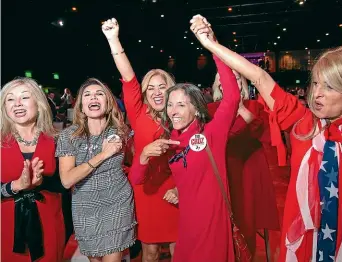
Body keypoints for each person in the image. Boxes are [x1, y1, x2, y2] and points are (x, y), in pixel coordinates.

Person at [194, 14, 342, 262]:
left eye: (330, 87)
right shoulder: (303, 125)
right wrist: (211, 44)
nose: (317, 93)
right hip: (306, 242)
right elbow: (259, 77)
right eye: (315, 83)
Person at [129, 18, 241, 262]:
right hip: (185, 224)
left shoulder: (212, 132)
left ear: (196, 108)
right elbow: (136, 178)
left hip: (212, 221)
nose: (173, 110)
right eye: (170, 105)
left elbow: (232, 96)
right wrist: (145, 154)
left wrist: (213, 46)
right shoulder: (172, 139)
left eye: (181, 104)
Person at [102, 18, 179, 262]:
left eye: (162, 86)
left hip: (176, 188)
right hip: (146, 188)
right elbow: (128, 78)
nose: (157, 92)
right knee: (151, 251)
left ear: (172, 89)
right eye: (151, 88)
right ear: (145, 93)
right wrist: (114, 39)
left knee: (181, 247)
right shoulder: (138, 113)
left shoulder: (182, 114)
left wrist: (181, 187)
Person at [56, 78, 136, 262]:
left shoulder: (122, 131)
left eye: (99, 94)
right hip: (85, 206)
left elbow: (134, 162)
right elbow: (67, 180)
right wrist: (103, 154)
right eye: (88, 94)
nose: (94, 97)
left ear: (108, 102)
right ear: (81, 106)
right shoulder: (69, 136)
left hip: (117, 202)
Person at [209, 70, 280, 255]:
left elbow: (265, 135)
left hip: (249, 170)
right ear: (219, 85)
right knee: (222, 221)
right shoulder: (210, 109)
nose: (232, 82)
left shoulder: (254, 106)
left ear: (243, 84)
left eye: (237, 79)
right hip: (222, 170)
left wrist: (241, 109)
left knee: (247, 220)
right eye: (226, 79)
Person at [1, 77, 66, 262]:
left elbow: (67, 183)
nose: (17, 104)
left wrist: (42, 181)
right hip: (6, 227)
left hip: (49, 224)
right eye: (10, 99)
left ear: (38, 103)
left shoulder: (57, 140)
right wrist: (14, 185)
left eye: (24, 97)